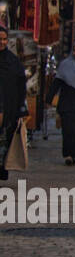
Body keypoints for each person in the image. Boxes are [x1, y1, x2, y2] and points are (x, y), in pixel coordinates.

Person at [48, 39, 75, 165]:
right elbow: (57, 83)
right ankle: (68, 154)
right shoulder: (65, 65)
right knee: (68, 130)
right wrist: (49, 99)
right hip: (68, 104)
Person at [0, 27, 27, 181]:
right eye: (0, 39)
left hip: (9, 109)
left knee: (4, 143)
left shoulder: (12, 61)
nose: (2, 42)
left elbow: (20, 85)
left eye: (4, 39)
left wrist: (21, 110)